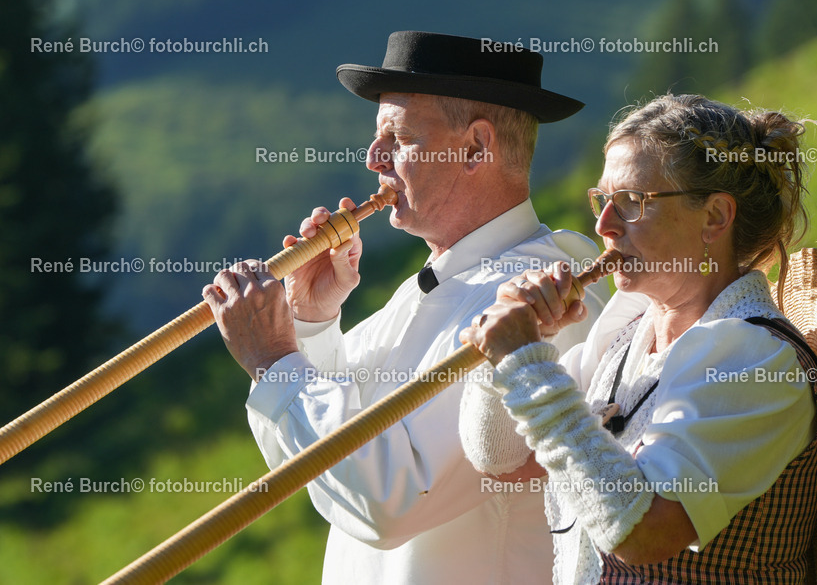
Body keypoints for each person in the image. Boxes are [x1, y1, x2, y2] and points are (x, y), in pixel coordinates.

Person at [202, 31, 609, 584]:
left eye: (398, 138)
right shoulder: (438, 281)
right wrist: (311, 323)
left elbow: (391, 498)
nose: (374, 159)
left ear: (475, 148)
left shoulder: (532, 295)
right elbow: (316, 469)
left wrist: (275, 359)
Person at [459, 93, 817, 584]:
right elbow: (496, 455)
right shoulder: (626, 334)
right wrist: (506, 362)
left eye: (632, 203)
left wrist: (528, 366)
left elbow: (641, 533)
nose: (603, 226)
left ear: (715, 217)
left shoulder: (754, 359)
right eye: (602, 200)